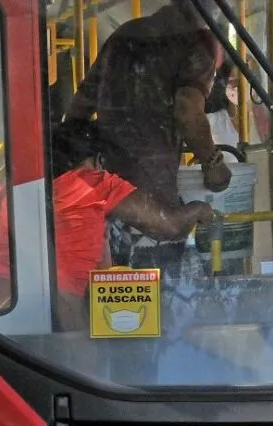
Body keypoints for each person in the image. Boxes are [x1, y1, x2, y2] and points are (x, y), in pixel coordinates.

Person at [0, 121, 215, 330]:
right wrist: (200, 210)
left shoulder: (16, 187)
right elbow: (169, 226)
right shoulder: (94, 182)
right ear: (99, 160)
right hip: (58, 305)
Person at [66, 0, 230, 271]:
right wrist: (213, 164)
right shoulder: (198, 41)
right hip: (152, 199)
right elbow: (188, 111)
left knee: (112, 291)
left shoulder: (125, 35)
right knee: (156, 293)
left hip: (104, 195)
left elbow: (78, 110)